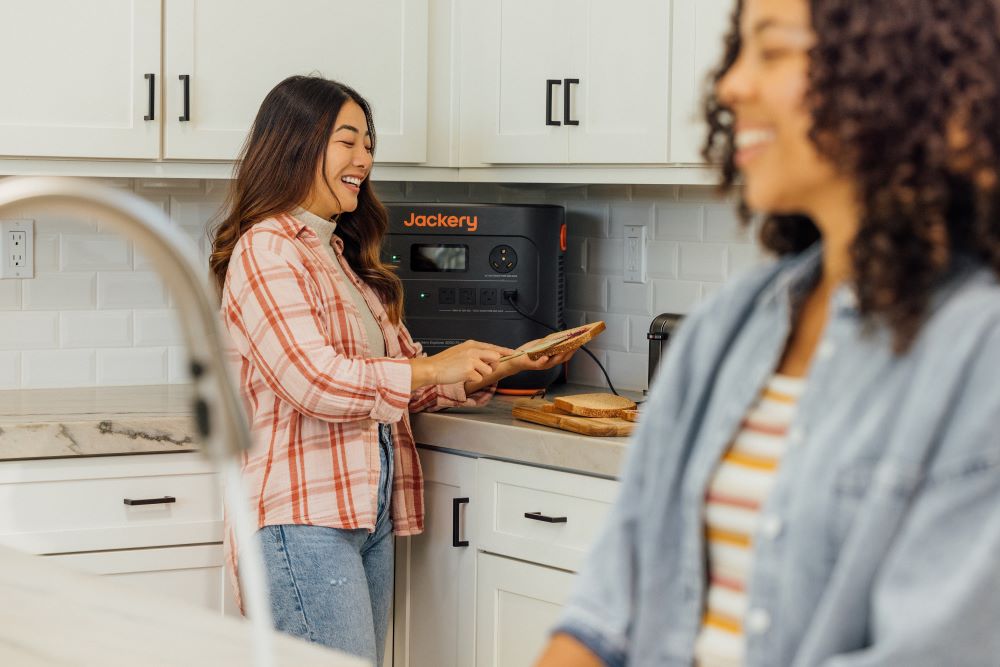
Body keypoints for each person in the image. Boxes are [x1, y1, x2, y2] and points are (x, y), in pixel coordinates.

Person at [537, 0, 1000, 665]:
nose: (730, 84)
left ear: (899, 72)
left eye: (773, 50)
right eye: (740, 50)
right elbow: (604, 612)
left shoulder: (978, 349)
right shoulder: (729, 323)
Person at [209, 75, 572, 666]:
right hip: (299, 518)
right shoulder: (267, 249)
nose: (365, 159)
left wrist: (499, 366)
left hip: (361, 507)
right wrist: (430, 371)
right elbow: (315, 382)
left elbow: (395, 381)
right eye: (348, 141)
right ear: (297, 145)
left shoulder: (338, 256)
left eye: (369, 143)